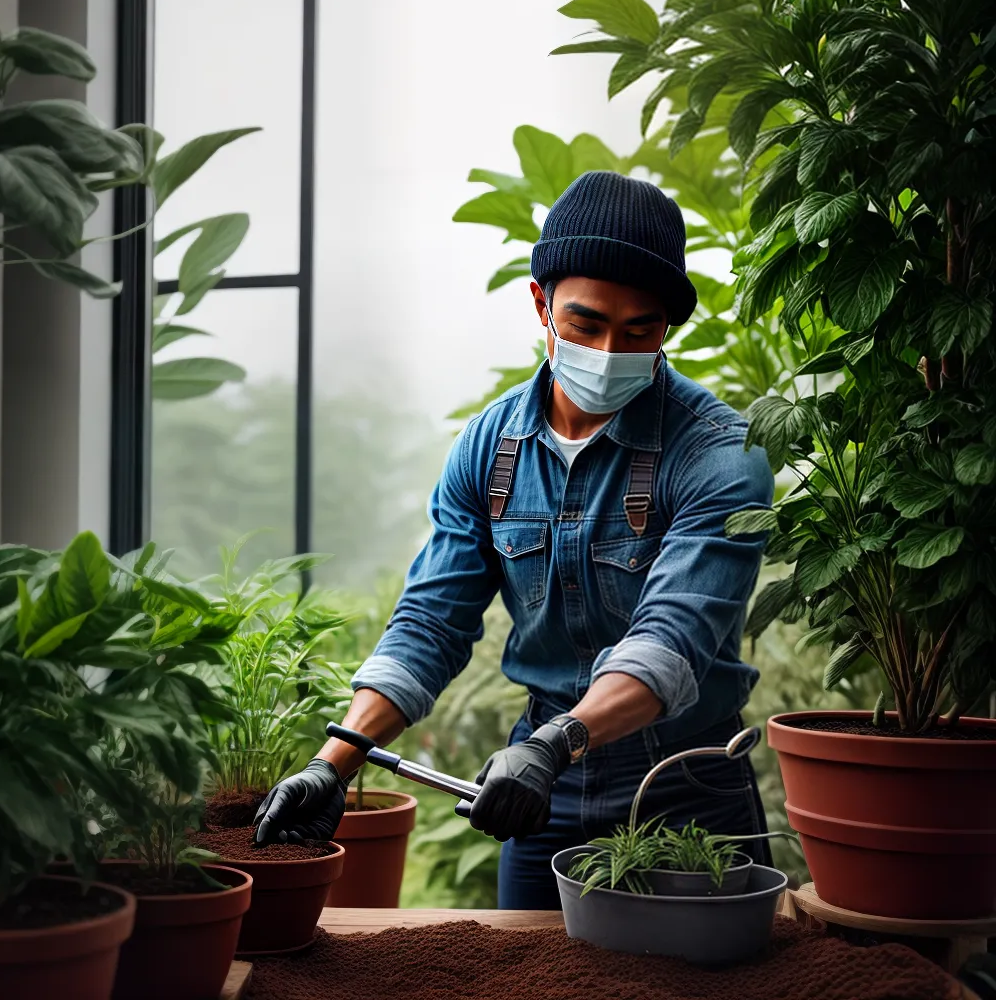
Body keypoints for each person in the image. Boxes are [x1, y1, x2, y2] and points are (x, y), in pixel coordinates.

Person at [253, 170, 776, 909]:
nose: (608, 350)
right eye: (585, 323)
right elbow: (430, 622)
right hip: (541, 792)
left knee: (709, 969)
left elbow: (671, 643)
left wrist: (553, 743)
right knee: (526, 965)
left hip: (682, 783)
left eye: (639, 331)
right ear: (541, 304)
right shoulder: (489, 448)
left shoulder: (719, 452)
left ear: (667, 327)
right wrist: (333, 762)